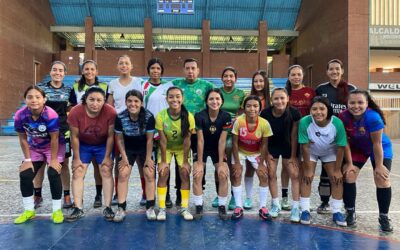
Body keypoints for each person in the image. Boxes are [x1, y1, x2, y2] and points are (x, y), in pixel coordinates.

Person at [339, 90, 393, 232]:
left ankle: (384, 216)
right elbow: (344, 142)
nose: (356, 106)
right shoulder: (343, 116)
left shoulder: (373, 117)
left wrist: (380, 165)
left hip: (380, 147)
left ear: (367, 103)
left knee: (381, 178)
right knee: (349, 174)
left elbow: (377, 144)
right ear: (347, 104)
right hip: (358, 148)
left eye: (360, 102)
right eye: (352, 102)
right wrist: (349, 163)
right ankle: (350, 211)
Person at [14, 86, 64, 224]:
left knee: (53, 173)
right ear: (25, 100)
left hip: (53, 146)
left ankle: (56, 211)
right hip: (35, 147)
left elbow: (54, 138)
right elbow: (23, 138)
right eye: (30, 97)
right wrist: (27, 160)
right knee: (25, 174)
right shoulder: (20, 115)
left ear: (44, 100)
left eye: (37, 97)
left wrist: (53, 160)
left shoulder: (51, 115)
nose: (34, 100)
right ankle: (29, 210)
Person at [66, 87, 117, 222]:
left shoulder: (110, 112)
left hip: (103, 144)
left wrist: (107, 157)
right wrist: (76, 158)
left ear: (104, 101)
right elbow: (74, 136)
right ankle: (78, 208)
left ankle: (108, 207)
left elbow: (111, 136)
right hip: (84, 144)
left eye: (99, 100)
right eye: (92, 99)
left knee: (106, 170)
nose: (95, 103)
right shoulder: (75, 112)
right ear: (85, 100)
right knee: (78, 171)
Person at [314, 59, 356, 214]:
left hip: (345, 137)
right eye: (331, 69)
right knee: (326, 173)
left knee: (344, 171)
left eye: (337, 69)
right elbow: (316, 110)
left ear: (342, 71)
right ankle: (324, 202)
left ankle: (345, 202)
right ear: (327, 71)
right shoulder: (321, 89)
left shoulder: (351, 89)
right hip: (326, 137)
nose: (334, 72)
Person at [298, 96, 347, 226]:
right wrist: (308, 169)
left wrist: (337, 170)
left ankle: (337, 211)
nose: (318, 112)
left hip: (330, 151)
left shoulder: (337, 123)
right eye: (314, 109)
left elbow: (341, 146)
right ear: (310, 110)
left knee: (336, 178)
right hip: (311, 151)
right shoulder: (305, 122)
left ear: (328, 110)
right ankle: (305, 210)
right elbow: (305, 146)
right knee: (306, 177)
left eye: (322, 109)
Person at [172, 58, 214, 206]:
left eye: (193, 68)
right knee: (181, 162)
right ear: (184, 70)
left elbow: (216, 101)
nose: (190, 71)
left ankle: (199, 190)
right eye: (187, 68)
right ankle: (179, 193)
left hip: (199, 132)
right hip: (180, 130)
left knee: (199, 161)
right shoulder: (176, 84)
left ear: (198, 70)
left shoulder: (207, 85)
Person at [34, 61, 73, 209]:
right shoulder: (41, 89)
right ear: (50, 72)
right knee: (41, 163)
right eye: (55, 70)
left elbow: (72, 107)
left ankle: (67, 195)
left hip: (63, 131)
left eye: (61, 70)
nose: (57, 72)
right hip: (42, 131)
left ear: (64, 73)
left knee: (63, 165)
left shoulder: (69, 90)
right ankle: (37, 195)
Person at [70, 59, 108, 208]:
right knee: (80, 168)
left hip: (99, 132)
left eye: (92, 69)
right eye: (86, 69)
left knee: (99, 168)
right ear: (82, 71)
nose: (89, 72)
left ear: (96, 71)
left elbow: (107, 108)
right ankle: (79, 200)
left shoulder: (104, 86)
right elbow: (72, 109)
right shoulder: (75, 87)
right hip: (82, 132)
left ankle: (98, 195)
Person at [260, 88, 301, 222]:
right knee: (271, 174)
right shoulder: (265, 113)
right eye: (276, 98)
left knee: (294, 174)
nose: (279, 101)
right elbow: (264, 136)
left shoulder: (294, 113)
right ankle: (275, 204)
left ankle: (295, 207)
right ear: (271, 100)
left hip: (289, 146)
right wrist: (266, 154)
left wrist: (294, 155)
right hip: (272, 146)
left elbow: (294, 136)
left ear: (287, 98)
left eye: (282, 98)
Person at [106, 55, 143, 206]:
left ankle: (145, 193)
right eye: (121, 63)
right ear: (117, 66)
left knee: (141, 160)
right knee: (118, 161)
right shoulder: (112, 83)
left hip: (136, 126)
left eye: (126, 63)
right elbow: (109, 106)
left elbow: (142, 102)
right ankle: (117, 193)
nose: (123, 65)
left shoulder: (138, 82)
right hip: (120, 126)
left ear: (131, 66)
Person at [114, 90, 155, 222]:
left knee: (149, 173)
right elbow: (119, 139)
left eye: (136, 101)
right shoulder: (120, 117)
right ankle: (121, 208)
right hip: (128, 148)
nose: (133, 104)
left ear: (141, 103)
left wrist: (148, 158)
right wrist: (124, 157)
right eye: (130, 101)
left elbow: (149, 140)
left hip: (144, 148)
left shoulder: (149, 116)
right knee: (123, 173)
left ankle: (150, 207)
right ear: (126, 102)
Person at [155, 86, 195, 221]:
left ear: (182, 99)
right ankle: (161, 209)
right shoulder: (161, 115)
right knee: (163, 172)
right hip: (166, 148)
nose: (174, 99)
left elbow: (187, 141)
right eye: (171, 96)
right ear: (166, 99)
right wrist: (164, 162)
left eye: (178, 96)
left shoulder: (189, 116)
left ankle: (184, 207)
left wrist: (184, 161)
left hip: (181, 148)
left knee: (184, 172)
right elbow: (162, 140)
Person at [231, 95, 273, 220]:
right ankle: (238, 206)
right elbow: (234, 142)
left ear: (260, 108)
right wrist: (237, 163)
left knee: (263, 175)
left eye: (255, 106)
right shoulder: (239, 121)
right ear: (244, 108)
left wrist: (261, 164)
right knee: (236, 174)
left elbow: (265, 144)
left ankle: (263, 207)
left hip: (256, 152)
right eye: (248, 106)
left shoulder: (264, 123)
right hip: (240, 151)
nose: (252, 109)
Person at [280, 65, 315, 211]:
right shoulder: (284, 92)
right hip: (287, 133)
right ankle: (284, 196)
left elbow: (316, 111)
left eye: (298, 74)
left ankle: (301, 197)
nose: (296, 77)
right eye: (293, 74)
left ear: (303, 75)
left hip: (306, 134)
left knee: (301, 167)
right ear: (288, 76)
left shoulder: (310, 92)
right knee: (286, 165)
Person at [193, 89, 232, 220]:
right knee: (197, 174)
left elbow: (222, 140)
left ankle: (222, 207)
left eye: (217, 99)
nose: (214, 101)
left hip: (217, 148)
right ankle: (198, 206)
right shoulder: (199, 116)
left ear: (222, 101)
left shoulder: (226, 117)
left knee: (222, 173)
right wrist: (199, 162)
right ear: (206, 101)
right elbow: (200, 140)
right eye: (211, 99)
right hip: (201, 148)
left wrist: (221, 162)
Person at [141, 58, 174, 208]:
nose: (155, 71)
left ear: (162, 71)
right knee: (148, 163)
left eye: (158, 68)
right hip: (148, 131)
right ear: (148, 70)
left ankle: (166, 194)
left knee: (164, 164)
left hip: (164, 131)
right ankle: (147, 193)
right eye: (152, 68)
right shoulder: (143, 85)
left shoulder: (169, 86)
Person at [217, 66, 246, 210]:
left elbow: (243, 112)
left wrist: (237, 120)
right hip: (219, 130)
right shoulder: (217, 92)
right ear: (221, 78)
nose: (228, 79)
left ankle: (234, 196)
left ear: (236, 78)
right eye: (226, 76)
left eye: (231, 76)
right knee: (219, 163)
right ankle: (219, 193)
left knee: (233, 164)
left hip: (234, 132)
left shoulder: (241, 94)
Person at [243, 70, 271, 209]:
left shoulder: (271, 100)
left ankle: (270, 201)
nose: (258, 83)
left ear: (266, 83)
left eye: (261, 81)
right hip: (252, 139)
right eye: (256, 81)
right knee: (249, 168)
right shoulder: (249, 98)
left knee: (265, 171)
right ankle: (248, 198)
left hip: (266, 138)